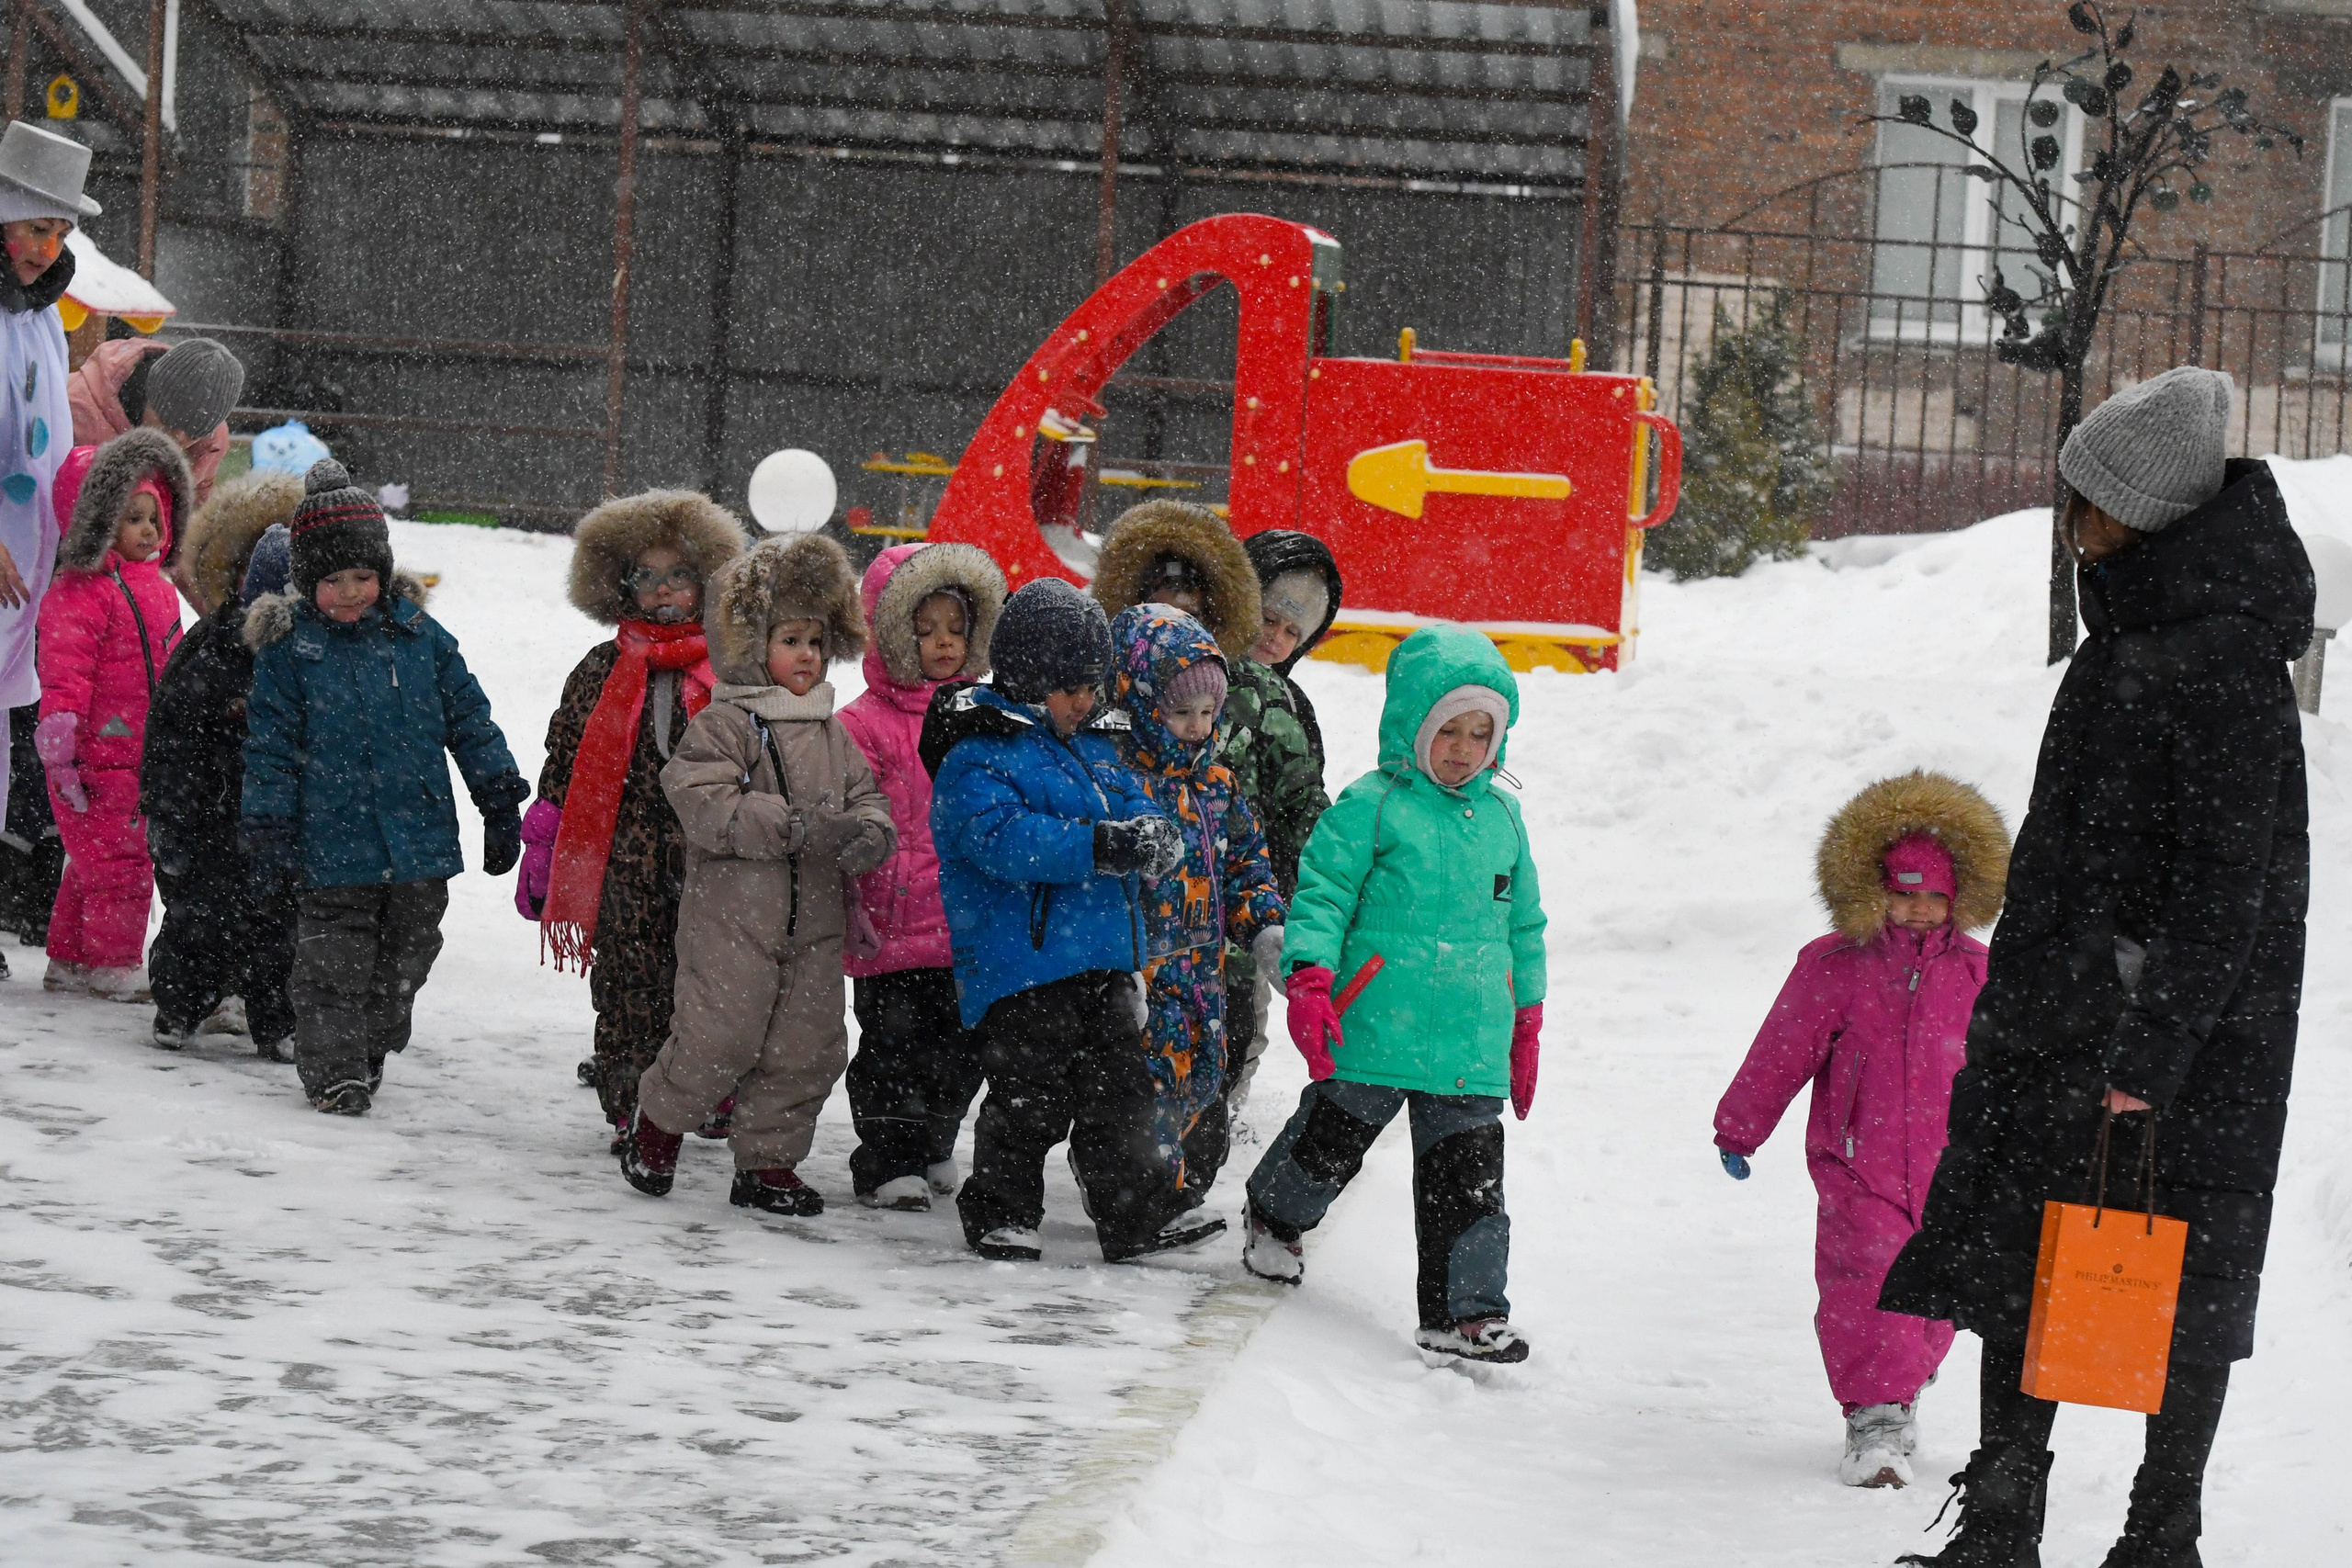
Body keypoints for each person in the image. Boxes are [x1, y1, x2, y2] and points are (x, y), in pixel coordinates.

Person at [1880, 367, 2312, 1568]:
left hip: (2158, 1044)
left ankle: (2159, 1536)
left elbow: (2227, 885)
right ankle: (2002, 1523)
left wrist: (2149, 1049)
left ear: (2133, 509)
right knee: (2028, 1258)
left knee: (2168, 1284)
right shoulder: (2140, 630)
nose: (2068, 520)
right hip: (2067, 1019)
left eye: (2082, 499)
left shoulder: (2219, 655)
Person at [1241, 625, 1548, 1364]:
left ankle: (1465, 1313)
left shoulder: (1503, 819)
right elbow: (1321, 896)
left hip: (1469, 1037)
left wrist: (1527, 1015)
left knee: (1468, 1181)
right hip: (1376, 1024)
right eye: (1449, 730)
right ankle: (1274, 1213)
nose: (1465, 749)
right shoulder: (1371, 805)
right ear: (1413, 725)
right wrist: (1311, 978)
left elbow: (1525, 924)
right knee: (1327, 1146)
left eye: (1482, 734)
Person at [1711, 771, 2010, 1489]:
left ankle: (1903, 1386)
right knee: (1866, 1287)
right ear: (1874, 890)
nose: (1915, 909)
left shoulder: (1980, 974)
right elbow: (1781, 1050)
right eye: (1903, 893)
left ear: (1958, 898)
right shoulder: (1835, 966)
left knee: (1936, 1300)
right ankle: (1874, 1421)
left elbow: (2012, 1067)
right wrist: (1740, 1125)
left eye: (1932, 895)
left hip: (1950, 1167)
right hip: (1858, 1164)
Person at [923, 577, 1214, 1264]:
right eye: (1070, 687)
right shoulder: (979, 753)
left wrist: (1153, 833)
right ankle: (1003, 1209)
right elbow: (1001, 838)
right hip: (1025, 967)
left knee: (1121, 1096)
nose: (1086, 702)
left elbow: (1131, 803)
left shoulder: (1093, 747)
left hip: (1101, 962)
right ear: (1026, 680)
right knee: (1030, 1097)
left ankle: (1134, 1211)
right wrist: (1100, 846)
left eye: (1093, 686)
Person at [613, 534, 894, 1216]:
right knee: (719, 1035)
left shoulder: (835, 734)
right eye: (791, 640)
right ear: (753, 647)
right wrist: (789, 824)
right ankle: (658, 1122)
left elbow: (871, 802)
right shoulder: (730, 722)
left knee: (807, 1048)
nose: (807, 656)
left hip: (816, 926)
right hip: (732, 920)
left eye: (816, 642)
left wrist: (866, 835)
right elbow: (700, 797)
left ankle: (767, 1161)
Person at [241, 460, 527, 1115]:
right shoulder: (291, 656)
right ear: (306, 581)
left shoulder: (420, 640)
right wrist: (267, 830)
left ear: (384, 572)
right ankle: (334, 1067)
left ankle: (369, 1043)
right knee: (332, 963)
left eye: (362, 577)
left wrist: (498, 796)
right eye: (331, 580)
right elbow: (271, 750)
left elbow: (469, 717)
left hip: (417, 841)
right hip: (331, 844)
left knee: (409, 955)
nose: (348, 593)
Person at [520, 490, 750, 1143]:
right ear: (619, 587)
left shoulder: (730, 672)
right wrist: (546, 833)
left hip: (710, 862)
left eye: (679, 575)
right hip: (623, 863)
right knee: (629, 988)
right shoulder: (603, 669)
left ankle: (704, 1088)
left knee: (707, 985)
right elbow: (566, 752)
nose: (663, 592)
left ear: (706, 583)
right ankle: (635, 1101)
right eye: (645, 578)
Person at [837, 540, 1007, 1210]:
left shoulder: (985, 718)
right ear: (890, 632)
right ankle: (888, 1159)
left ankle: (936, 1137)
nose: (943, 643)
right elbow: (857, 809)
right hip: (895, 923)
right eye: (925, 628)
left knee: (961, 1049)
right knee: (891, 1049)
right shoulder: (864, 723)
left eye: (957, 629)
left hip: (965, 926)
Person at [1107, 602, 1286, 1201]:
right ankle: (1141, 1196)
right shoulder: (1118, 782)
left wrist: (1263, 927)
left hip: (1201, 973)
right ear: (1141, 706)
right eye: (1180, 711)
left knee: (1206, 1077)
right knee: (1146, 1087)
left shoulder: (1218, 787)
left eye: (1209, 712)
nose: (1197, 725)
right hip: (1143, 970)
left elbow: (1245, 867)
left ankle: (1185, 1187)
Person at [141, 473, 304, 1053]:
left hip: (275, 822)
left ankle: (275, 1020)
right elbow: (170, 731)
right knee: (196, 919)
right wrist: (167, 807)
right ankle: (179, 1006)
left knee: (275, 927)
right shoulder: (210, 649)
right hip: (207, 811)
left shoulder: (310, 659)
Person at [34, 429, 191, 1001]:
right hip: (96, 757)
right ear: (95, 522)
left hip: (144, 752)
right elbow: (63, 676)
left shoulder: (158, 587)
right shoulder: (80, 591)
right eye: (131, 519)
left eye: (154, 517)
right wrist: (61, 753)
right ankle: (114, 964)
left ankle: (70, 959)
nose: (148, 530)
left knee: (94, 862)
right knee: (122, 864)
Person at [0, 120, 100, 982]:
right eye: (35, 227)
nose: (46, 247)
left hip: (29, 570)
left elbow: (49, 441)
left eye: (59, 232)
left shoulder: (40, 317)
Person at [1220, 529, 1344, 1134]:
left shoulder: (1288, 707)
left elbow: (1302, 799)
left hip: (1254, 895)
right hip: (1189, 892)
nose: (1276, 637)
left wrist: (1310, 884)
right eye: (1268, 618)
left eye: (1293, 632)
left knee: (1246, 1015)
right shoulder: (1194, 674)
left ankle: (1222, 1106)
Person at [68, 334, 243, 509]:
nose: (178, 438)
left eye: (193, 433)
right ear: (147, 394)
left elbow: (196, 512)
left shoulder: (210, 442)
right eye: (168, 422)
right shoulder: (76, 408)